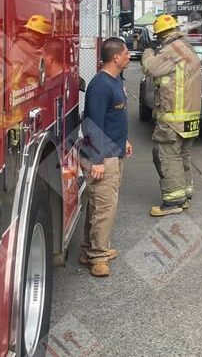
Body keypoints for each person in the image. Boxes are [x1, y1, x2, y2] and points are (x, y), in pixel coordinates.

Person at [79, 37, 132, 277]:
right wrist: (97, 160)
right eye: (126, 52)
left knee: (97, 205)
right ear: (116, 58)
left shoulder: (115, 81)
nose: (129, 56)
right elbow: (92, 125)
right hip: (103, 157)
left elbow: (114, 119)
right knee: (104, 208)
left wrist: (125, 141)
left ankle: (89, 249)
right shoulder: (101, 85)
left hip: (115, 151)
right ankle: (98, 257)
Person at [141, 14, 202, 217]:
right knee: (182, 154)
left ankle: (173, 201)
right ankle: (185, 195)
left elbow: (150, 68)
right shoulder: (187, 47)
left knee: (167, 156)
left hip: (173, 117)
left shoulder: (172, 50)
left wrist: (148, 51)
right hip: (190, 117)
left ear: (160, 35)